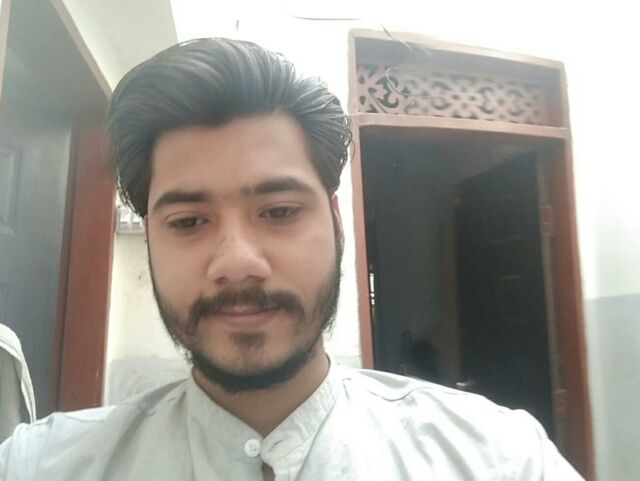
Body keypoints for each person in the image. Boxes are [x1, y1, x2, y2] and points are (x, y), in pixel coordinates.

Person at [0, 38, 584, 481]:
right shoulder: (40, 466)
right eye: (188, 222)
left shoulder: (499, 459)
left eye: (278, 211)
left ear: (335, 222)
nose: (237, 263)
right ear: (149, 238)